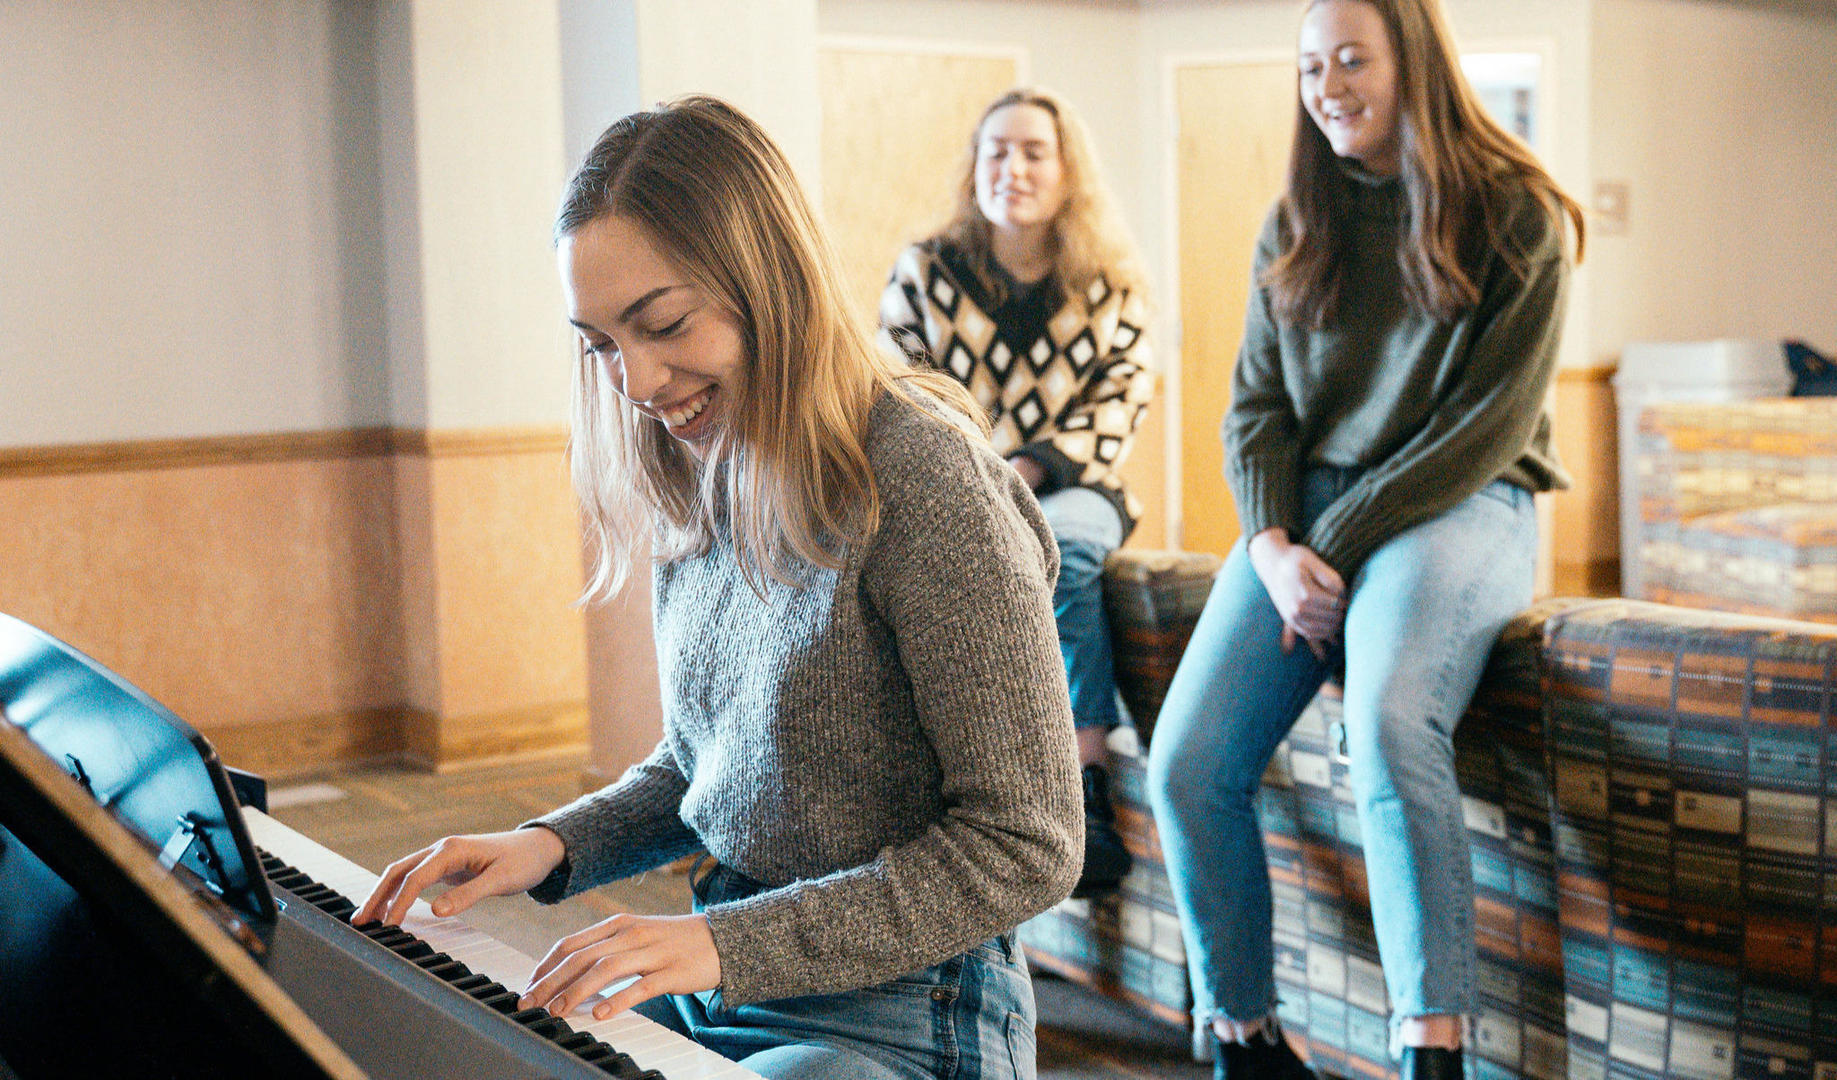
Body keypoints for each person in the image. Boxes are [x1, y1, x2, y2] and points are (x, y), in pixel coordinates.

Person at [354, 95, 1082, 1080]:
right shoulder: (709, 467)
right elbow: (714, 766)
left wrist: (723, 946)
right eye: (600, 343)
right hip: (734, 980)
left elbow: (1027, 843)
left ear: (768, 280)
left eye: (662, 325)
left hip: (911, 1012)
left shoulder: (925, 480)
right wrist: (548, 845)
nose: (634, 382)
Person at [1143, 1, 1584, 1078]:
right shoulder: (1295, 219)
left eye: (1351, 60)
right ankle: (1245, 1041)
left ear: (1412, 62)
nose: (1328, 87)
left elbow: (1484, 426)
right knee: (1185, 765)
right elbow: (1253, 409)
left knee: (1388, 723)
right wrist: (1269, 547)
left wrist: (1326, 548)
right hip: (1302, 525)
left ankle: (1430, 1048)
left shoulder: (1517, 212)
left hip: (1464, 497)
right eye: (1310, 67)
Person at [880, 86, 1155, 900]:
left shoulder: (1109, 283)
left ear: (1068, 170)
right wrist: (974, 477)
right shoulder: (925, 271)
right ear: (975, 168)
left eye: (1035, 151)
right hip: (953, 484)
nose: (1014, 167)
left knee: (1063, 555)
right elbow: (897, 389)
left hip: (1076, 487)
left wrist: (1026, 471)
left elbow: (1121, 405)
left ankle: (1085, 787)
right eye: (996, 151)